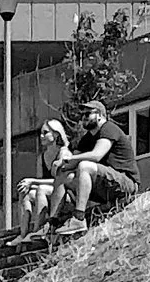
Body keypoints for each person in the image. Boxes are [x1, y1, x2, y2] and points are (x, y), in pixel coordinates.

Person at [51, 100, 137, 235]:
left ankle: (79, 218)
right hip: (104, 185)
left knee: (85, 166)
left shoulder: (108, 128)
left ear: (100, 115)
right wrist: (60, 164)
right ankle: (52, 224)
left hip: (125, 183)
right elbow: (70, 164)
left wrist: (71, 159)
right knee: (64, 176)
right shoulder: (86, 139)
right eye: (83, 114)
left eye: (88, 114)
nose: (84, 117)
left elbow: (96, 155)